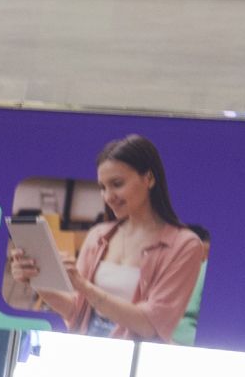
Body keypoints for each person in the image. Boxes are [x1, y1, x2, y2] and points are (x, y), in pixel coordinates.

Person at [15, 134, 211, 343]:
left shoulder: (185, 245)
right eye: (102, 187)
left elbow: (150, 325)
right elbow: (75, 311)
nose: (108, 196)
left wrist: (84, 286)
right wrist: (37, 280)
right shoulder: (98, 235)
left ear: (149, 179)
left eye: (117, 184)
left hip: (136, 359)